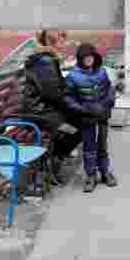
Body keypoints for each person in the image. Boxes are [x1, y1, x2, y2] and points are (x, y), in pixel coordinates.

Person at [20, 29, 85, 185]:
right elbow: (53, 94)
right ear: (52, 43)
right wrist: (73, 104)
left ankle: (55, 159)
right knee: (78, 126)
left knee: (83, 119)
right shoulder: (45, 61)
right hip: (38, 112)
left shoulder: (47, 59)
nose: (66, 44)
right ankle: (54, 160)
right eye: (63, 41)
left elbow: (56, 90)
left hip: (44, 108)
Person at [64, 42, 118, 192]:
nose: (89, 60)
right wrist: (82, 109)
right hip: (86, 117)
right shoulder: (73, 77)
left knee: (102, 145)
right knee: (89, 147)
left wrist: (107, 104)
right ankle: (91, 176)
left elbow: (110, 90)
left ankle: (105, 172)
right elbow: (68, 98)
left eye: (91, 57)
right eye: (86, 58)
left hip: (102, 115)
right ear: (80, 59)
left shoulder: (102, 72)